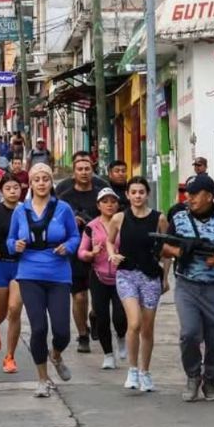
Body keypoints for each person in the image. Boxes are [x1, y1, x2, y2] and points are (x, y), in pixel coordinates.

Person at [161, 174, 214, 402]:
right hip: (187, 285)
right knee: (189, 333)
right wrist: (182, 251)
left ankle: (210, 378)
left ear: (209, 196)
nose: (190, 199)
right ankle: (193, 375)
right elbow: (164, 247)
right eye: (188, 194)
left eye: (195, 194)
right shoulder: (179, 219)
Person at [7, 163, 80, 397]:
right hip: (29, 273)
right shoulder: (21, 211)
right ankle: (42, 379)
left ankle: (56, 355)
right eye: (36, 179)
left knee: (62, 332)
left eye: (45, 179)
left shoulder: (63, 209)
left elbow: (75, 236)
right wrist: (14, 245)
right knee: (38, 328)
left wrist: (67, 247)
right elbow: (9, 240)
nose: (41, 183)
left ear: (51, 183)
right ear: (30, 183)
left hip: (58, 273)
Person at [106, 176, 169, 393]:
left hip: (150, 275)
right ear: (127, 195)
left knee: (147, 328)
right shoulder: (119, 218)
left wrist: (166, 277)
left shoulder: (159, 219)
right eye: (133, 192)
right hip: (126, 274)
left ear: (147, 194)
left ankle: (145, 371)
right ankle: (132, 369)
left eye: (141, 192)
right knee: (134, 323)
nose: (138, 196)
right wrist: (112, 254)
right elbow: (109, 240)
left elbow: (167, 250)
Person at [79, 188, 127, 369]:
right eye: (105, 201)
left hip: (122, 275)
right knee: (102, 317)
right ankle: (108, 354)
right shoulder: (92, 227)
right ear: (98, 205)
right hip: (98, 276)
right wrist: (92, 253)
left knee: (120, 317)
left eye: (113, 201)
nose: (109, 204)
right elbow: (81, 252)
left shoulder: (125, 222)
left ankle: (121, 337)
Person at [59, 155, 101, 353]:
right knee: (79, 297)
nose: (84, 172)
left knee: (100, 297)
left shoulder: (102, 195)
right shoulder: (64, 198)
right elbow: (56, 224)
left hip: (99, 252)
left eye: (87, 169)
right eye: (80, 169)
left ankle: (94, 315)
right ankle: (83, 335)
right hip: (75, 253)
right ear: (73, 173)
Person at [0, 175, 24, 373]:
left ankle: (10, 356)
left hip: (21, 266)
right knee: (0, 314)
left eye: (16, 187)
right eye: (8, 188)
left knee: (14, 310)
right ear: (1, 191)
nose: (12, 191)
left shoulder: (27, 211)